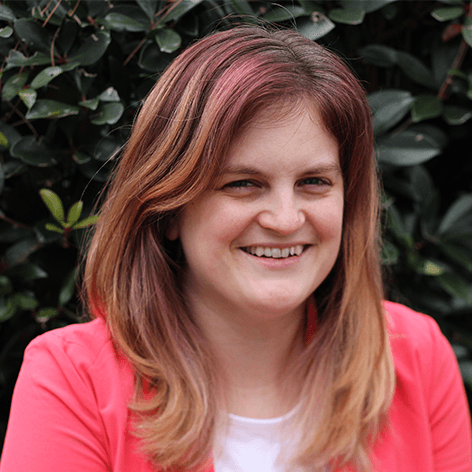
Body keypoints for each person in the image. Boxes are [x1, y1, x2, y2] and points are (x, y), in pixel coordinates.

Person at [1, 25, 471, 472]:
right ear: (168, 210)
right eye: (243, 184)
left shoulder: (416, 357)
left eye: (314, 182)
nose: (285, 220)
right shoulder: (71, 380)